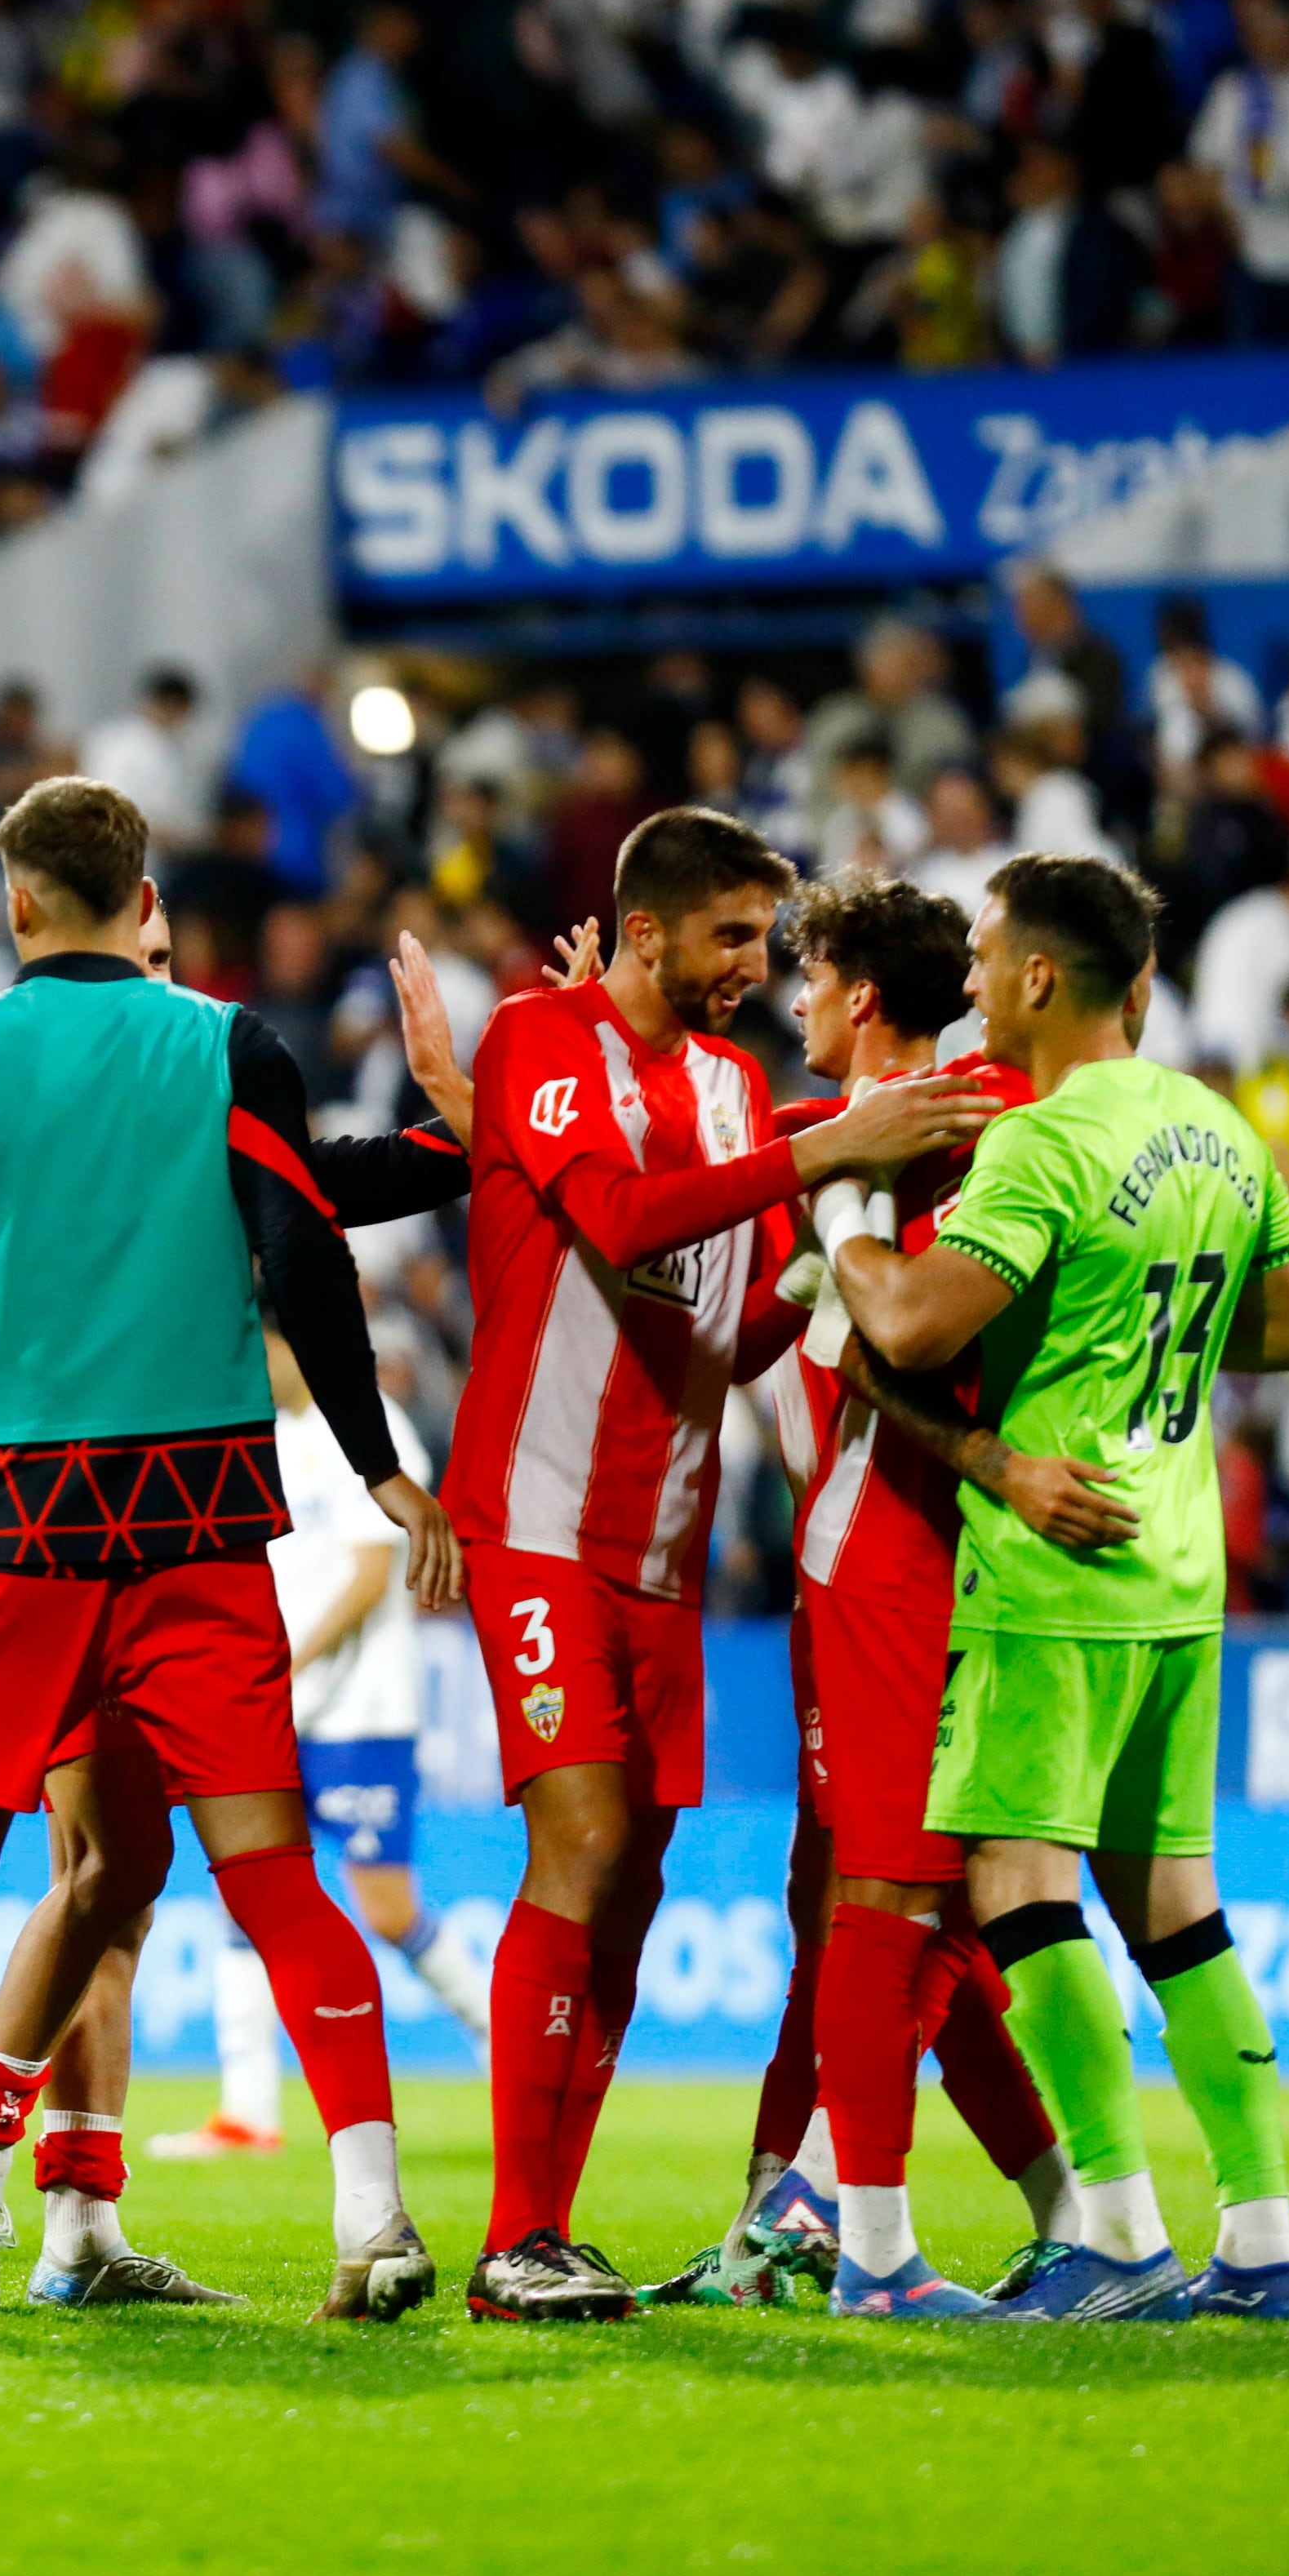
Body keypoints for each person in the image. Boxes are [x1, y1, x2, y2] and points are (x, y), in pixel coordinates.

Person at [0, 777, 458, 2329]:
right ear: (143, 892)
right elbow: (303, 1231)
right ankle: (370, 2219)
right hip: (193, 1518)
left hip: (8, 1528)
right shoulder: (226, 1044)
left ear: (17, 903)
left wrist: (19, 1235)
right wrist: (378, 1463)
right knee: (269, 1875)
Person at [443, 809, 995, 2319]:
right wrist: (828, 1150)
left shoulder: (737, 1082)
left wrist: (832, 1281)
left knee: (636, 1881)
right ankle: (511, 2236)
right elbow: (615, 1212)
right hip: (541, 1518)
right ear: (646, 933)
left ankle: (548, 2229)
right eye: (735, 937)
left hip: (667, 1549)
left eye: (769, 940)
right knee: (587, 1843)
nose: (757, 967)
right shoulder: (539, 1036)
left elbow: (728, 1324)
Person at [825, 856, 1289, 2322]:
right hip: (1183, 1565)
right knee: (1179, 1903)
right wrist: (1138, 1362)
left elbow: (911, 1325)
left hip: (1057, 1565)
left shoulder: (1047, 1144)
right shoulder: (1219, 1127)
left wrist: (847, 1206)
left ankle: (1111, 2224)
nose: (971, 979)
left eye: (983, 957)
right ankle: (1259, 2239)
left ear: (1040, 978)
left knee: (1014, 1883)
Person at [642, 873, 1073, 2314]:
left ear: (862, 994)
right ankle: (847, 2209)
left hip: (909, 1545)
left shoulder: (961, 1115)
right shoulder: (859, 1134)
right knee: (870, 1901)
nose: (791, 997)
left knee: (892, 1902)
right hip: (877, 1553)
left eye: (807, 975)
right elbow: (752, 1225)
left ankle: (830, 2204)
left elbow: (859, 1324)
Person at [150, 1326, 486, 2164]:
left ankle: (499, 2039)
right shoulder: (272, 1436)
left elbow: (373, 1575)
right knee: (243, 1894)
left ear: (295, 1344)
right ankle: (246, 2111)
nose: (253, 1365)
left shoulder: (367, 1428)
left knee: (384, 1905)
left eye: (261, 1346)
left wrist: (281, 1662)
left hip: (361, 1710)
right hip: (280, 1711)